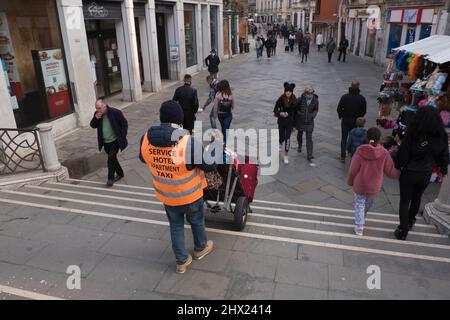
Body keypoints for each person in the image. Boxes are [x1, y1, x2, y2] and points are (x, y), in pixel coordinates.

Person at [139, 100, 216, 274]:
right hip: (190, 195)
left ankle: (181, 261)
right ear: (179, 119)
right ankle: (200, 248)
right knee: (196, 221)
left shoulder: (146, 138)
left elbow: (143, 158)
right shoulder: (187, 141)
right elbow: (209, 166)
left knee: (175, 226)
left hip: (167, 195)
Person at [393, 107, 449, 240]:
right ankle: (411, 221)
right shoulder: (441, 135)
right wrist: (443, 170)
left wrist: (398, 165)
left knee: (405, 201)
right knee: (417, 198)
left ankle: (403, 229)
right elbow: (444, 155)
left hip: (409, 171)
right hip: (426, 172)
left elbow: (403, 154)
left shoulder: (413, 133)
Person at [347, 127, 400, 236]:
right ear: (379, 138)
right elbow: (390, 170)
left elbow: (353, 169)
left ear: (367, 138)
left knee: (359, 203)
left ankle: (359, 226)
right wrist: (401, 173)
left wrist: (350, 180)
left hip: (360, 183)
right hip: (374, 185)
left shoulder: (360, 151)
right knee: (368, 203)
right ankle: (362, 216)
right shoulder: (384, 153)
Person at [90, 98, 128, 187]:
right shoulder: (97, 114)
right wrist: (96, 118)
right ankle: (120, 173)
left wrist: (122, 136)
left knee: (111, 157)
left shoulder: (115, 112)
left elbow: (124, 123)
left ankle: (110, 178)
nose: (97, 110)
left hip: (115, 140)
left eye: (99, 108)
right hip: (106, 142)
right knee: (113, 158)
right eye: (96, 108)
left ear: (104, 106)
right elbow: (92, 125)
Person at [337, 81, 367, 163]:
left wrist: (342, 115)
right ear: (358, 87)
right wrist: (358, 118)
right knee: (353, 137)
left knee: (344, 138)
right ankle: (352, 153)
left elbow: (339, 109)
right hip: (356, 122)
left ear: (351, 86)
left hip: (345, 120)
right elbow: (363, 111)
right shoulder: (361, 98)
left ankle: (342, 156)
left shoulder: (344, 97)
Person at [274, 82, 296, 165]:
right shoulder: (280, 99)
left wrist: (295, 126)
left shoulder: (295, 100)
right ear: (284, 91)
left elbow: (296, 114)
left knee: (288, 138)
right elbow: (275, 110)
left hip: (290, 122)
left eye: (290, 91)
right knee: (282, 136)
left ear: (292, 92)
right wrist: (280, 113)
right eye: (287, 91)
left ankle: (286, 155)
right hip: (282, 121)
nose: (288, 93)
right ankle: (280, 143)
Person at [295, 86, 319, 162]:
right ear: (305, 93)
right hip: (301, 120)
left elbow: (316, 109)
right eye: (308, 93)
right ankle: (299, 145)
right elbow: (295, 108)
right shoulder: (300, 99)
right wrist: (299, 113)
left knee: (309, 138)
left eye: (311, 93)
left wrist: (313, 115)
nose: (310, 95)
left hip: (310, 122)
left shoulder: (315, 100)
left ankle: (309, 154)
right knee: (300, 134)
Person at [214, 80, 234, 147]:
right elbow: (233, 106)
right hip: (228, 114)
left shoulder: (218, 94)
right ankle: (225, 143)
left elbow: (216, 106)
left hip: (220, 115)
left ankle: (224, 143)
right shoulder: (230, 94)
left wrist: (215, 115)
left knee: (223, 128)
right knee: (225, 129)